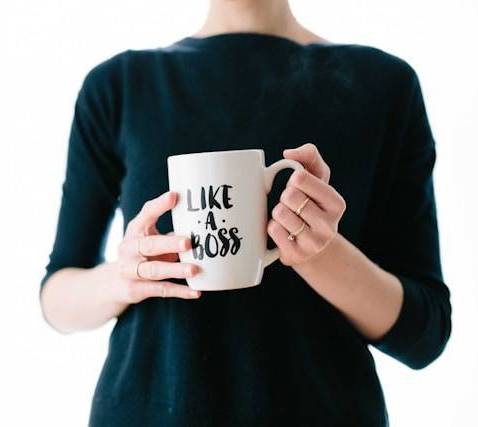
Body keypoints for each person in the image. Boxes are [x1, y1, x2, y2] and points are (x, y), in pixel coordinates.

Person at [39, 0, 452, 425]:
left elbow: (425, 334)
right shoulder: (119, 86)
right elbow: (56, 297)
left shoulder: (383, 85)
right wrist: (124, 278)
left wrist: (319, 254)